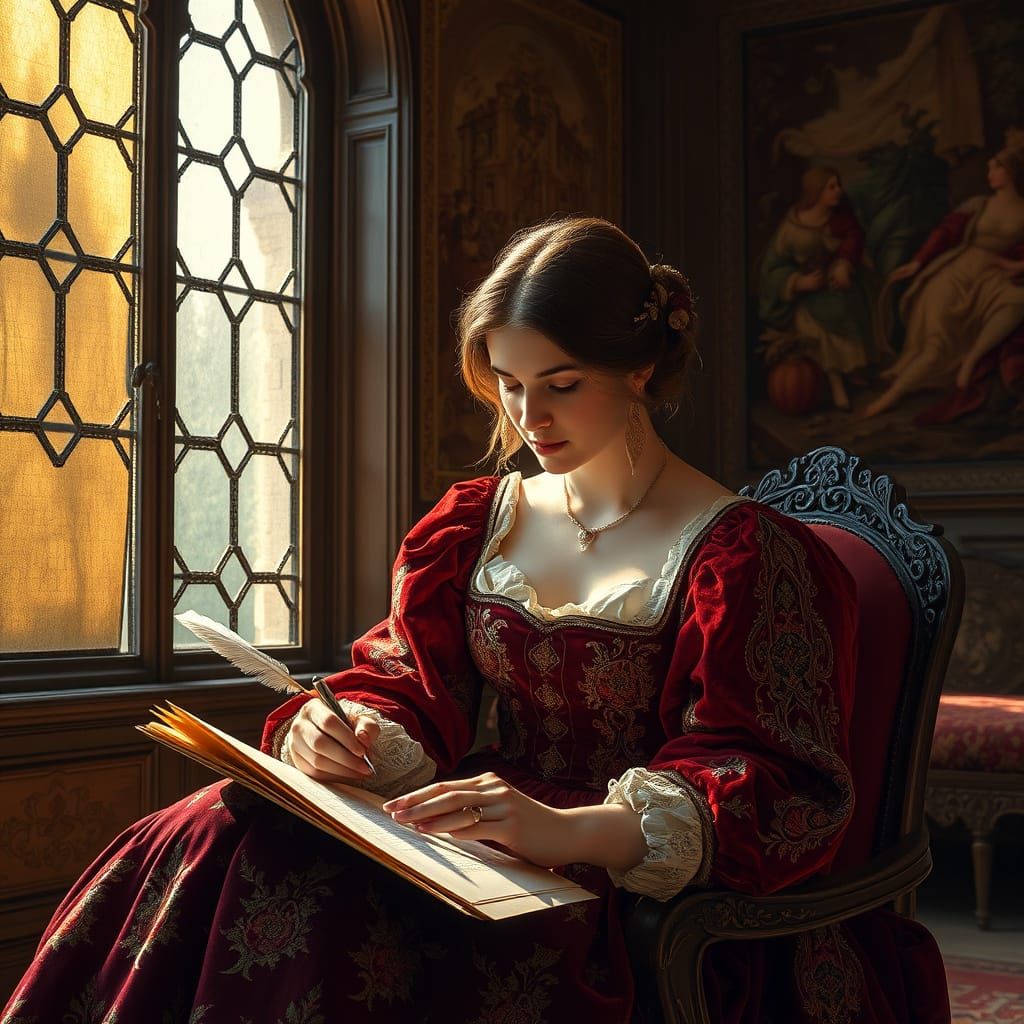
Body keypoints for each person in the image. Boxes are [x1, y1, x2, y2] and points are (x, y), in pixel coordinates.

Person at [3, 216, 950, 1024]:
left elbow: (778, 787)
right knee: (224, 825)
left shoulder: (744, 555)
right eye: (507, 380)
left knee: (324, 908)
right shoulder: (475, 522)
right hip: (473, 829)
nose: (529, 413)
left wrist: (570, 829)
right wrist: (358, 735)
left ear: (644, 365)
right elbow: (412, 679)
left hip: (614, 884)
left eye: (562, 381)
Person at [863, 137, 1024, 419]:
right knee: (936, 341)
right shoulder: (979, 204)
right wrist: (917, 262)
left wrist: (1015, 267)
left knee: (1018, 300)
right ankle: (894, 392)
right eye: (988, 167)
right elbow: (944, 233)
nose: (989, 173)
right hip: (960, 269)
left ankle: (970, 359)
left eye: (995, 167)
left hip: (993, 276)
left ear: (1011, 171)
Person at [758, 166, 875, 411]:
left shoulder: (840, 216)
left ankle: (853, 371)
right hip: (807, 296)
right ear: (816, 191)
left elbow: (853, 238)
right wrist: (798, 282)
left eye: (838, 185)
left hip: (834, 288)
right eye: (831, 186)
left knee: (848, 310)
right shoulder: (792, 225)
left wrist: (843, 264)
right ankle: (836, 386)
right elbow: (773, 268)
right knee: (816, 328)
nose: (838, 191)